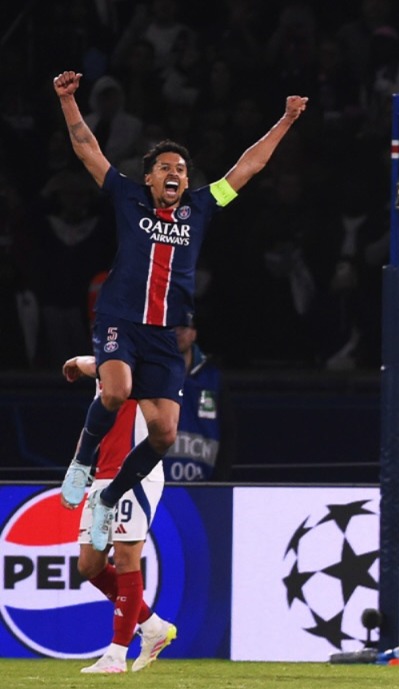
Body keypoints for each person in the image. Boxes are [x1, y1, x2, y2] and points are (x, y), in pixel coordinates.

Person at [52, 70, 306, 552]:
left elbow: (247, 168)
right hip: (120, 320)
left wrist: (286, 120)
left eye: (182, 169)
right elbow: (87, 148)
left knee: (165, 435)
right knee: (117, 391)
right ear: (148, 177)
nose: (174, 174)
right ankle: (81, 462)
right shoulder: (127, 197)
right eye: (165, 167)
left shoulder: (201, 208)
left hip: (165, 335)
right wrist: (67, 101)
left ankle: (108, 498)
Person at [62, 355, 176, 674]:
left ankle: (116, 655)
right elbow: (94, 364)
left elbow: (101, 363)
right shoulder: (110, 363)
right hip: (102, 475)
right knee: (89, 564)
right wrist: (75, 364)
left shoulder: (141, 367)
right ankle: (152, 627)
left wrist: (86, 363)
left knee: (126, 558)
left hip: (134, 474)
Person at [164, 320, 235, 481]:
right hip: (157, 484)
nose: (177, 333)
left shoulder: (213, 379)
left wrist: (219, 481)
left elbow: (228, 432)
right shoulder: (150, 376)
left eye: (183, 327)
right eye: (171, 328)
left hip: (204, 485)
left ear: (193, 334)